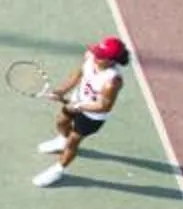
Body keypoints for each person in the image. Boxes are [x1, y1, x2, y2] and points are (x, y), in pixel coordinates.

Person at [35, 36, 129, 189]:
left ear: (112, 60)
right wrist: (61, 91)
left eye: (101, 55)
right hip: (76, 101)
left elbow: (104, 106)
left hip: (92, 116)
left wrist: (79, 106)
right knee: (61, 122)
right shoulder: (90, 57)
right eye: (96, 51)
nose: (96, 55)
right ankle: (61, 141)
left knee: (73, 141)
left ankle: (58, 170)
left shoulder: (112, 81)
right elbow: (77, 75)